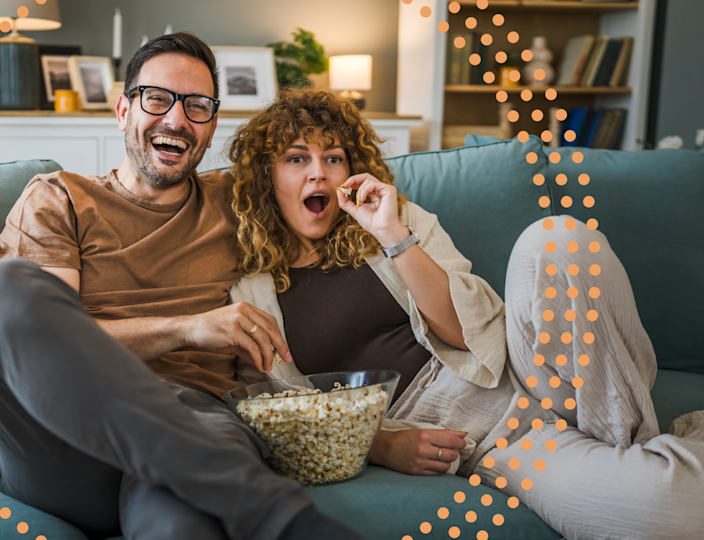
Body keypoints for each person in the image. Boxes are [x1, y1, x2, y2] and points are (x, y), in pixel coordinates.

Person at [227, 87, 704, 540]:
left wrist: (393, 236)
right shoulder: (249, 289)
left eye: (333, 158)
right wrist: (379, 444)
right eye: (296, 159)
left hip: (530, 365)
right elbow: (275, 413)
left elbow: (461, 332)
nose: (319, 174)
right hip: (488, 437)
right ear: (268, 176)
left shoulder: (399, 220)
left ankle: (627, 439)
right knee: (673, 510)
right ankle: (637, 451)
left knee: (555, 239)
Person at [0, 33, 366, 540]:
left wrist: (392, 229)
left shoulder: (238, 204)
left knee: (179, 526)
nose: (177, 119)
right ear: (124, 111)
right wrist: (190, 329)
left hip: (194, 425)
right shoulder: (59, 198)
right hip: (68, 440)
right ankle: (272, 513)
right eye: (158, 99)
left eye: (197, 106)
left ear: (212, 126)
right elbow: (53, 343)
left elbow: (327, 198)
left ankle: (242, 498)